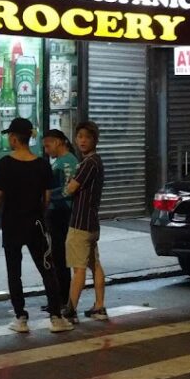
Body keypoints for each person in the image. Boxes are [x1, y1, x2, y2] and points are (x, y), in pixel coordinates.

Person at [0, 117, 74, 335]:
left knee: (14, 272)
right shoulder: (42, 164)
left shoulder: (5, 164)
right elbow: (45, 198)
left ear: (15, 139)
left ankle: (21, 318)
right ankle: (56, 316)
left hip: (12, 223)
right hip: (36, 224)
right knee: (47, 269)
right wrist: (39, 213)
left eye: (10, 136)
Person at [62, 120, 108, 322]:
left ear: (94, 140)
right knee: (94, 264)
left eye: (87, 137)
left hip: (80, 223)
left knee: (78, 267)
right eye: (79, 136)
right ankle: (99, 307)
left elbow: (71, 188)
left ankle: (71, 310)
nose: (82, 141)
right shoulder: (97, 162)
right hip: (92, 223)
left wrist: (67, 185)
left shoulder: (89, 163)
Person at [41, 128, 78, 308]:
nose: (47, 151)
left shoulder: (67, 162)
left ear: (57, 142)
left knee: (60, 257)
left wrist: (45, 197)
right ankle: (59, 298)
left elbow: (67, 191)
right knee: (56, 257)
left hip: (61, 214)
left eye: (48, 146)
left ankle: (62, 299)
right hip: (56, 213)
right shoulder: (62, 161)